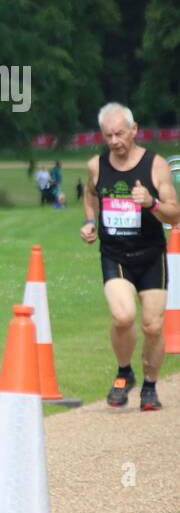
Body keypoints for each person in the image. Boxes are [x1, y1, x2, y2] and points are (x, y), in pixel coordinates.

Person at [80, 102, 179, 410]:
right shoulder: (96, 165)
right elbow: (90, 195)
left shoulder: (156, 165)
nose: (114, 141)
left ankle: (150, 386)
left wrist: (150, 203)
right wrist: (88, 221)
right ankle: (124, 373)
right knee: (123, 317)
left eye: (119, 134)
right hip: (114, 255)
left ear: (134, 130)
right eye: (108, 135)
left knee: (152, 326)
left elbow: (174, 216)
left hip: (150, 255)